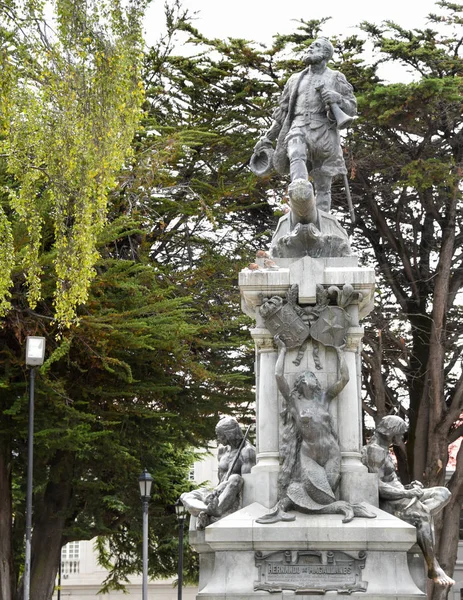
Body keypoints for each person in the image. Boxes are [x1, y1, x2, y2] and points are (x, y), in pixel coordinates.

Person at [258, 336, 374, 524]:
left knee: (327, 495)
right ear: (299, 383)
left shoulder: (324, 399)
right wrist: (282, 350)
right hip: (309, 455)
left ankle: (299, 505)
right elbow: (279, 377)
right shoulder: (294, 402)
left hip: (332, 452)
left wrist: (340, 352)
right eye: (305, 375)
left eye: (312, 375)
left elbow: (345, 379)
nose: (309, 376)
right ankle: (338, 508)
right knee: (322, 496)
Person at [251, 38, 356, 213]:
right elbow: (282, 113)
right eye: (310, 46)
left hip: (325, 132)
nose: (310, 48)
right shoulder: (294, 80)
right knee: (295, 151)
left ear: (325, 54)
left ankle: (322, 218)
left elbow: (351, 108)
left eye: (316, 46)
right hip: (298, 126)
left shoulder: (336, 77)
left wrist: (338, 99)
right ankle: (300, 193)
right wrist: (267, 137)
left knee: (323, 184)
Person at [361, 415, 454, 586]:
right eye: (399, 433)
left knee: (443, 493)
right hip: (390, 502)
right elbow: (378, 487)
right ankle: (433, 566)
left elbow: (391, 480)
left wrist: (408, 488)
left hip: (401, 494)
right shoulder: (374, 451)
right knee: (423, 515)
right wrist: (405, 494)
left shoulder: (384, 449)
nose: (401, 438)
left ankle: (415, 517)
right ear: (391, 432)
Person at [180, 416, 256, 529]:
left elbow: (247, 484)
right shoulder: (222, 452)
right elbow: (220, 479)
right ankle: (206, 510)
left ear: (228, 434)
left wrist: (223, 486)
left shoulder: (247, 451)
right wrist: (213, 494)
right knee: (187, 496)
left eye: (219, 435)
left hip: (232, 496)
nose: (218, 439)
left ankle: (216, 510)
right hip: (217, 494)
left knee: (235, 478)